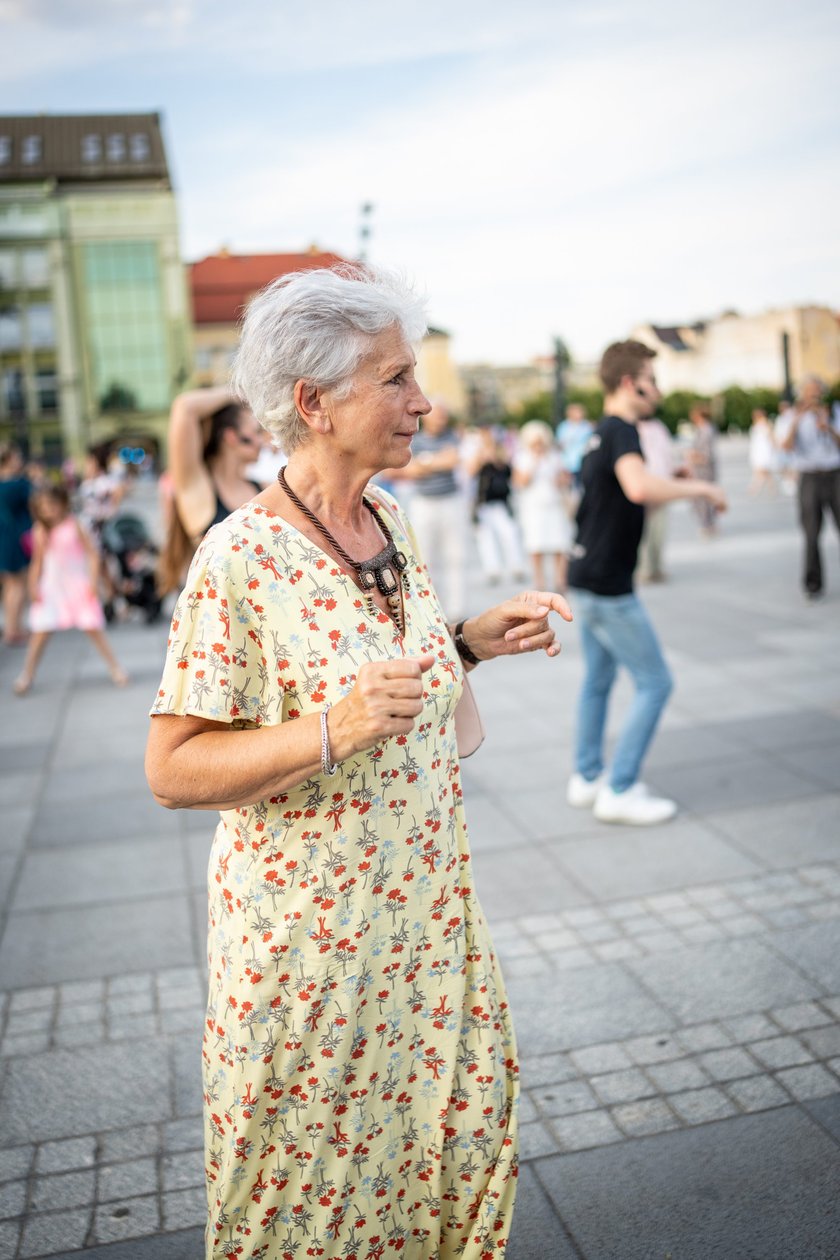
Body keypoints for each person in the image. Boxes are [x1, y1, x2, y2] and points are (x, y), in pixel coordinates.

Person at [145, 265, 572, 1260]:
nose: (423, 401)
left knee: (441, 1155)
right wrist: (329, 729)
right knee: (310, 1199)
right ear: (314, 403)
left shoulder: (389, 519)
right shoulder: (238, 558)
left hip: (426, 924)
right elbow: (172, 767)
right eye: (395, 379)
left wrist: (465, 644)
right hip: (311, 957)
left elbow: (388, 678)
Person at [566, 340, 727, 825]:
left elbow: (622, 494)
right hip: (608, 584)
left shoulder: (599, 434)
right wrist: (700, 487)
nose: (658, 389)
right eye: (652, 380)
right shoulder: (623, 430)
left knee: (597, 680)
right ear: (630, 383)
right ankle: (619, 788)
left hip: (584, 574)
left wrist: (669, 478)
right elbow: (637, 487)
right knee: (656, 682)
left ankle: (587, 778)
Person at [13, 484, 128, 695]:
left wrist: (93, 581)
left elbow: (93, 554)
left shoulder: (75, 524)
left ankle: (115, 668)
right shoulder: (40, 530)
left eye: (52, 505)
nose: (48, 510)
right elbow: (37, 562)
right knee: (41, 632)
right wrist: (33, 585)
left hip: (77, 583)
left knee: (92, 628)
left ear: (62, 503)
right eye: (43, 507)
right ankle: (27, 674)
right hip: (52, 586)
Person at [156, 388, 265, 595]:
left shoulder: (262, 487)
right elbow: (185, 407)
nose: (262, 441)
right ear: (232, 437)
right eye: (257, 432)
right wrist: (240, 391)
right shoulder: (198, 490)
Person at [387, 399, 468, 619]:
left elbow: (452, 460)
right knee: (425, 556)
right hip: (424, 502)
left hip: (450, 500)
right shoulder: (416, 439)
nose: (441, 420)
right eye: (437, 415)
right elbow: (409, 470)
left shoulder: (451, 437)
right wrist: (436, 462)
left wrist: (425, 463)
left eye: (443, 415)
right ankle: (432, 605)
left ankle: (456, 608)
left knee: (455, 556)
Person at [776, 376, 840, 600]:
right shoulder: (791, 416)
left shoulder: (834, 411)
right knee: (811, 532)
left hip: (835, 474)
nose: (814, 395)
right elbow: (785, 447)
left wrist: (828, 426)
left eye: (817, 391)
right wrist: (796, 422)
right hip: (809, 476)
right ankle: (813, 584)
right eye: (809, 391)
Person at [513, 419, 572, 591]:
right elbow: (520, 482)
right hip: (534, 507)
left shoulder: (554, 456)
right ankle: (539, 581)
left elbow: (565, 478)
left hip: (554, 504)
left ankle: (560, 579)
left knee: (559, 543)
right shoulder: (523, 457)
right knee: (536, 545)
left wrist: (560, 479)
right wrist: (535, 461)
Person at [469, 425, 527, 584]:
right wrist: (482, 454)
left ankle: (516, 566)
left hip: (502, 503)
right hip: (484, 504)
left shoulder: (504, 458)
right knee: (486, 539)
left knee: (510, 534)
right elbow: (470, 471)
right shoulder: (480, 457)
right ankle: (492, 569)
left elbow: (513, 474)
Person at [636, 416, 680, 582]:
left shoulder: (659, 427)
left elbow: (667, 455)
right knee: (643, 530)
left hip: (662, 484)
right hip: (642, 485)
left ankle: (657, 566)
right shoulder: (629, 428)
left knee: (659, 529)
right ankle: (645, 568)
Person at [0, 444, 32, 646]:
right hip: (16, 537)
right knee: (18, 583)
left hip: (2, 536)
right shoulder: (19, 484)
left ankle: (10, 627)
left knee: (8, 584)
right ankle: (14, 628)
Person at [686, 403, 719, 536]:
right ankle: (708, 524)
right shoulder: (703, 429)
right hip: (701, 469)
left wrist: (691, 455)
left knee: (703, 498)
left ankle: (707, 525)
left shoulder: (706, 430)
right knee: (703, 497)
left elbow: (706, 455)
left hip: (704, 470)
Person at [555, 402, 594, 492]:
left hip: (583, 463)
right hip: (568, 464)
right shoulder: (564, 427)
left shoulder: (587, 426)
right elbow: (560, 446)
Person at [748, 408, 778, 496]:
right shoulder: (756, 425)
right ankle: (771, 489)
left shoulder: (766, 425)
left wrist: (775, 448)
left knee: (761, 471)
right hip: (758, 450)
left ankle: (754, 488)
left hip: (764, 451)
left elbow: (772, 437)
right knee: (765, 472)